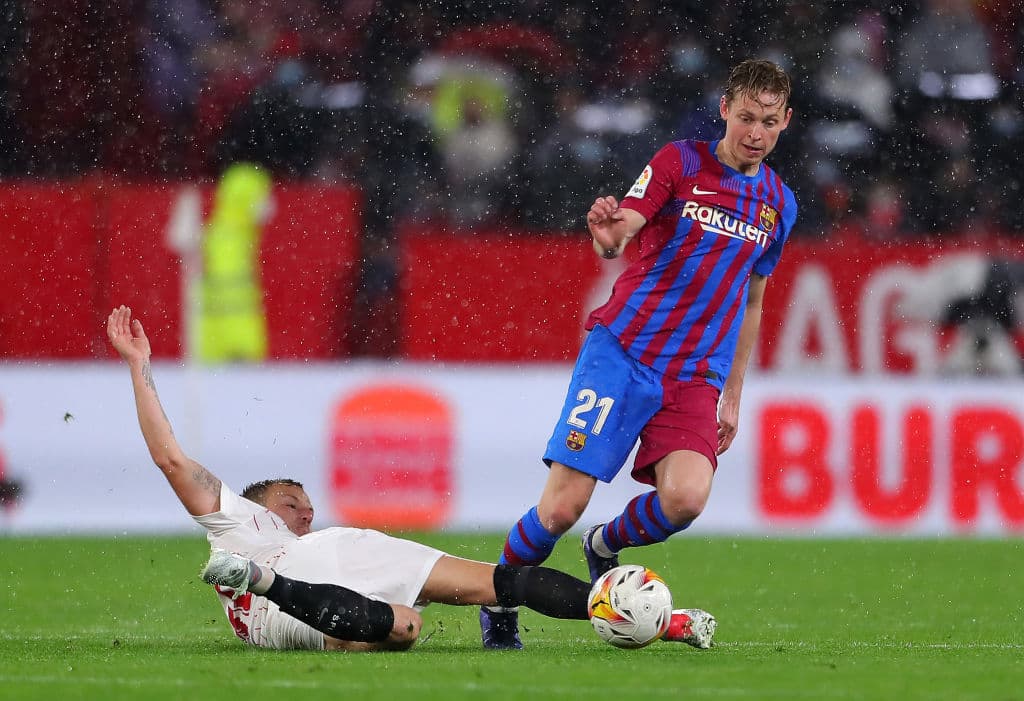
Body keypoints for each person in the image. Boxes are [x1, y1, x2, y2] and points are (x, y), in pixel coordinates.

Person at [106, 305, 715, 652]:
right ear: (262, 501)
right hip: (281, 599)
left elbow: (321, 533)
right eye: (293, 501)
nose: (304, 511)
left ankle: (660, 618)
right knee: (397, 627)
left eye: (307, 505)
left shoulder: (321, 534)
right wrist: (139, 367)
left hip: (347, 561)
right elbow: (171, 458)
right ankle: (264, 581)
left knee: (493, 587)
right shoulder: (234, 519)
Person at [481, 58, 797, 649]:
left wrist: (733, 391)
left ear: (786, 122)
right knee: (559, 509)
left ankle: (605, 545)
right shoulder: (680, 161)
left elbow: (752, 302)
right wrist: (610, 236)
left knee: (685, 499)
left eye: (770, 122)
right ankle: (500, 601)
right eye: (747, 117)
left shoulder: (780, 204)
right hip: (624, 354)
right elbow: (628, 221)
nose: (756, 132)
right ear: (725, 110)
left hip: (696, 375)